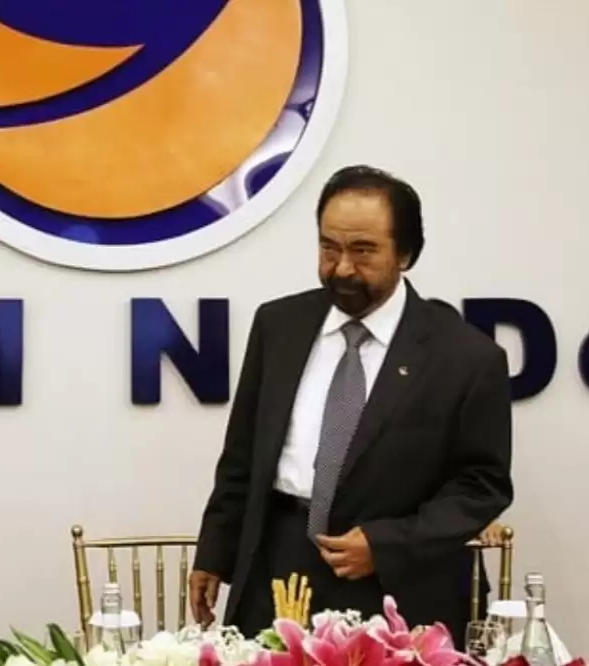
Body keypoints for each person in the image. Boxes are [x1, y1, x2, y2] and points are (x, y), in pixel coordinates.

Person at [188, 165, 514, 644]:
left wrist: (385, 545)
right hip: (279, 569)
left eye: (363, 251)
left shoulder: (466, 357)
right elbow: (242, 456)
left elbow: (481, 487)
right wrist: (215, 552)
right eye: (329, 248)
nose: (341, 268)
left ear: (406, 253)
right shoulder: (278, 325)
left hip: (396, 586)